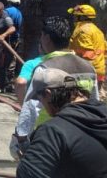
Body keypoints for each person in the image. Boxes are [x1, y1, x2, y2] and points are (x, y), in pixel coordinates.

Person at [10, 16, 98, 160]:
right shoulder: (89, 68)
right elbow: (94, 102)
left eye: (42, 35)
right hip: (80, 135)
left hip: (49, 136)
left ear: (47, 38)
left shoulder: (44, 68)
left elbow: (30, 108)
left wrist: (20, 138)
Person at [16, 68, 107, 178]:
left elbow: (28, 174)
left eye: (39, 99)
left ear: (48, 94)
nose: (42, 105)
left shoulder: (53, 131)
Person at [68, 4, 107, 99]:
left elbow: (87, 54)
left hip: (87, 72)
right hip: (99, 70)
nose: (74, 18)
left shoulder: (83, 31)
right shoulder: (97, 30)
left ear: (81, 17)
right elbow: (104, 50)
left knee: (82, 101)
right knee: (95, 101)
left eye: (75, 15)